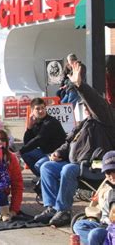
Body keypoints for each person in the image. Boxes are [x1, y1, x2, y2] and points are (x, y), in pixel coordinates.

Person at [34, 62, 115, 227]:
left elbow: (96, 103)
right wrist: (57, 153)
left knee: (68, 169)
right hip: (76, 164)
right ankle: (51, 207)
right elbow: (68, 142)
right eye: (84, 108)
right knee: (47, 167)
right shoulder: (84, 124)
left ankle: (64, 211)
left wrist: (79, 84)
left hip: (96, 165)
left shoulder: (105, 119)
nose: (86, 110)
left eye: (88, 107)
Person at [73, 151, 115, 245]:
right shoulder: (108, 189)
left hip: (112, 229)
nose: (112, 176)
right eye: (108, 172)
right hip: (106, 225)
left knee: (94, 234)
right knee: (79, 225)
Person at [19, 98, 66, 176]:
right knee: (26, 153)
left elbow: (38, 139)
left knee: (38, 165)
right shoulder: (36, 122)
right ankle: (42, 177)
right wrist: (29, 127)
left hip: (57, 154)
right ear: (32, 111)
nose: (41, 111)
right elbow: (27, 142)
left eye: (43, 108)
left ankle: (47, 178)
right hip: (45, 152)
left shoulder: (50, 122)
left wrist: (19, 151)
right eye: (37, 109)